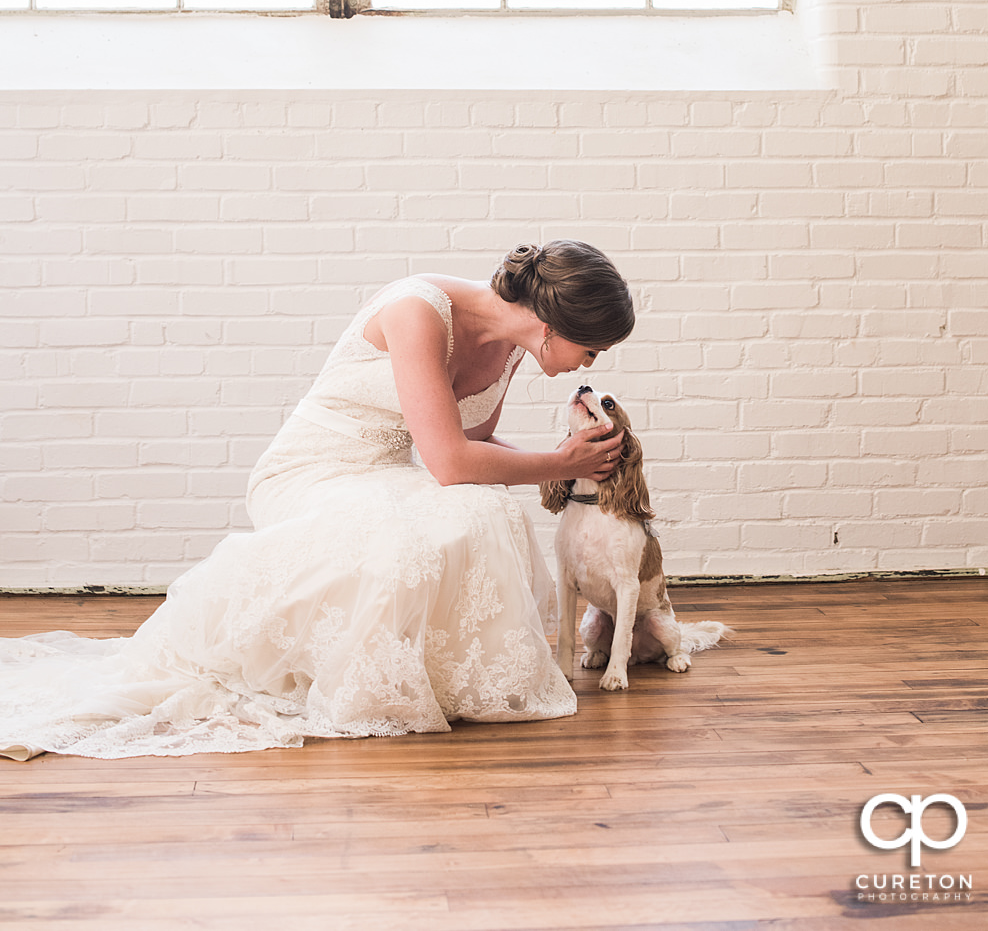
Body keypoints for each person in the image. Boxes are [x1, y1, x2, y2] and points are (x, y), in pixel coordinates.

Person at [0, 241, 635, 760]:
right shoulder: (420, 309)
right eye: (593, 348)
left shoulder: (512, 345)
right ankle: (356, 679)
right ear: (553, 328)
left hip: (383, 473)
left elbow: (467, 440)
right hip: (312, 469)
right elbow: (447, 464)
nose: (592, 361)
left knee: (485, 511)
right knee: (448, 512)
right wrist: (561, 464)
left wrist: (560, 457)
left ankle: (437, 681)